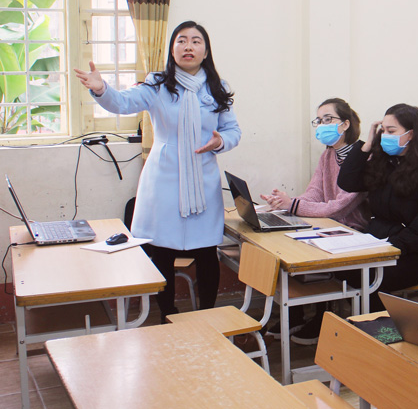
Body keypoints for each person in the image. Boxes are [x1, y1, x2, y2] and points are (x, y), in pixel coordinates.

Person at [75, 21, 241, 322]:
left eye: (196, 41)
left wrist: (220, 142)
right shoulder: (157, 84)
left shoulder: (218, 88)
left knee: (206, 252)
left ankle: (206, 316)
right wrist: (101, 89)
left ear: (205, 52)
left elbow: (232, 130)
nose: (188, 46)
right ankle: (168, 314)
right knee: (162, 251)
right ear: (172, 49)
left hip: (202, 180)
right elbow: (123, 102)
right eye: (181, 40)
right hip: (164, 180)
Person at [261, 98, 369, 343]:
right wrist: (284, 202)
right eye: (319, 120)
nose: (321, 125)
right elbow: (314, 193)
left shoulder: (363, 157)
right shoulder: (328, 154)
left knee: (304, 251)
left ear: (345, 124)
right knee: (284, 244)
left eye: (328, 119)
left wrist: (293, 205)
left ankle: (323, 317)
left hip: (353, 230)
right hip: (329, 223)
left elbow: (341, 207)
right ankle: (296, 314)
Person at [337, 103, 418, 307]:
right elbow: (347, 182)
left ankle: (377, 324)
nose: (385, 136)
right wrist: (366, 145)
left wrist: (390, 247)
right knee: (338, 270)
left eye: (391, 131)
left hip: (410, 254)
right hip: (376, 241)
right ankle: (352, 321)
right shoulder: (384, 163)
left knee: (363, 277)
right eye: (383, 130)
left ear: (411, 134)